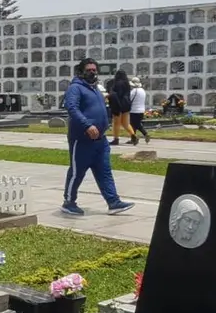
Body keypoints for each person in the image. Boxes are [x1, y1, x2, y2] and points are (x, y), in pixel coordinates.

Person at [61, 58, 135, 216]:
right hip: (82, 139)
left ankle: (113, 202)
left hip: (100, 141)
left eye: (94, 70)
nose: (92, 72)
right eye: (89, 70)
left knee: (104, 171)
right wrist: (87, 125)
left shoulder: (95, 88)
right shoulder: (76, 88)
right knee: (77, 172)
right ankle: (69, 202)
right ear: (81, 71)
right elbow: (72, 108)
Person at [108, 70, 136, 145]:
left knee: (116, 123)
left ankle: (116, 139)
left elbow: (118, 95)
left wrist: (110, 95)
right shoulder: (127, 83)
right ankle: (133, 136)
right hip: (126, 105)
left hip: (118, 105)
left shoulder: (118, 83)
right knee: (126, 123)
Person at [129, 77, 151, 144]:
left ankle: (136, 137)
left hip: (134, 111)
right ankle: (135, 138)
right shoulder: (142, 91)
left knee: (133, 125)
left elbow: (129, 100)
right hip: (141, 110)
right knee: (136, 124)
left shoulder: (133, 91)